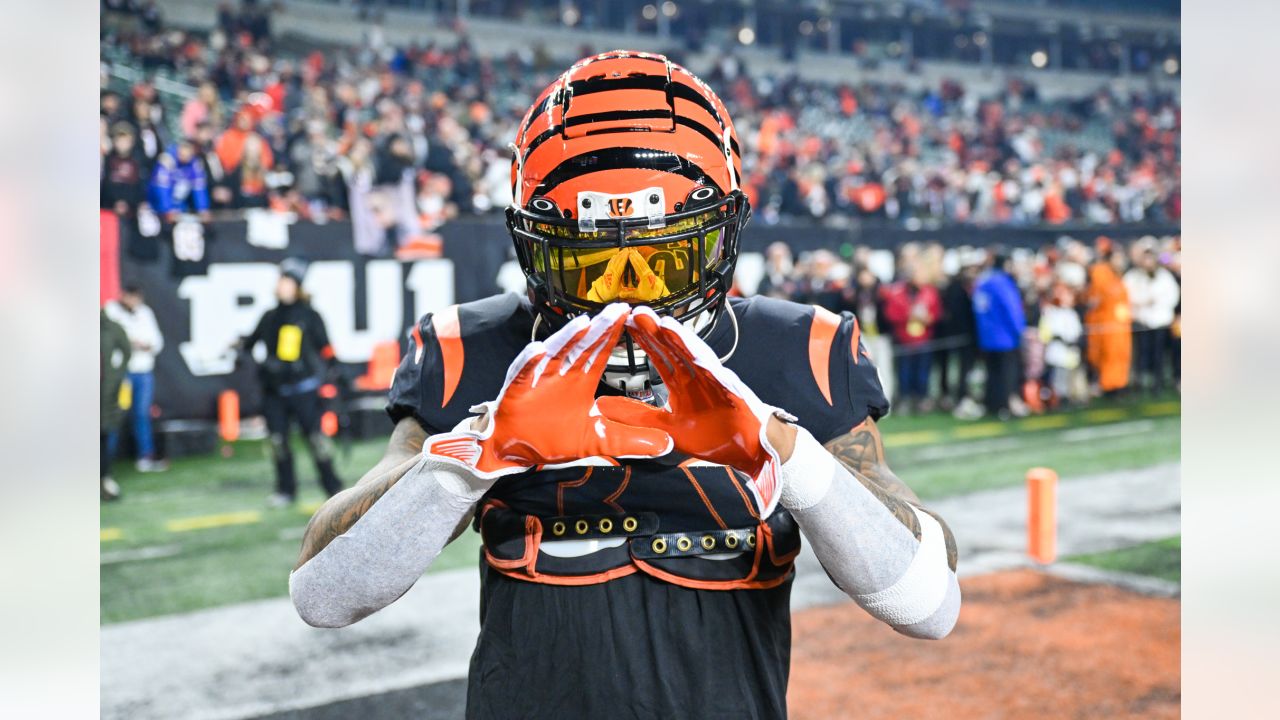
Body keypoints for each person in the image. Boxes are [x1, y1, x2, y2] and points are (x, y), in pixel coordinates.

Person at [289, 52, 960, 720]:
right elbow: (323, 595)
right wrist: (471, 456)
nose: (630, 299)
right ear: (536, 250)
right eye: (593, 266)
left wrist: (788, 453)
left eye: (663, 261)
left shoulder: (797, 352)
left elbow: (929, 604)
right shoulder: (475, 351)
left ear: (721, 237)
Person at [241, 260, 344, 506]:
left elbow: (325, 346)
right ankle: (286, 490)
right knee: (278, 442)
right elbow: (250, 343)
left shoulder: (308, 315)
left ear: (296, 285)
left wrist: (334, 372)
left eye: (285, 280)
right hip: (274, 391)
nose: (280, 285)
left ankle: (333, 487)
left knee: (316, 441)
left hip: (304, 389)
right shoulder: (270, 316)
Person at [104, 284, 168, 472]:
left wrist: (145, 345)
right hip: (121, 373)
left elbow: (157, 341)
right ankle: (106, 460)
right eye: (131, 297)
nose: (134, 301)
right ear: (123, 295)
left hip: (143, 371)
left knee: (142, 414)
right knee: (114, 415)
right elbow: (110, 339)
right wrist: (130, 342)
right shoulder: (110, 311)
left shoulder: (145, 313)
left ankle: (145, 456)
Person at [972, 250, 1027, 419]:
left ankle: (992, 404)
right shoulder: (1003, 283)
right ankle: (1006, 405)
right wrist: (1020, 331)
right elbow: (1012, 310)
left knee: (992, 373)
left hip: (986, 336)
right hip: (1005, 337)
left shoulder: (982, 281)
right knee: (1006, 373)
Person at [880, 263, 941, 414]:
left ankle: (922, 399)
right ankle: (905, 399)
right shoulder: (898, 292)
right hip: (904, 339)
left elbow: (937, 312)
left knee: (923, 371)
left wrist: (928, 318)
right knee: (904, 371)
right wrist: (908, 315)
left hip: (924, 338)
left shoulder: (929, 292)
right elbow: (890, 313)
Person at [1123, 248, 1180, 394]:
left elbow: (1172, 295)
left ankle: (1158, 382)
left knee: (1159, 353)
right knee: (1141, 353)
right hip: (1141, 322)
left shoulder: (1164, 276)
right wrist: (1141, 302)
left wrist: (1158, 302)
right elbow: (1126, 295)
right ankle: (1140, 382)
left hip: (1161, 321)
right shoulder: (1134, 276)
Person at [1084, 247, 1133, 396]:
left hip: (1120, 324)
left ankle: (1119, 384)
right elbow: (1094, 300)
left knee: (1121, 355)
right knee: (1108, 356)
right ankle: (1109, 386)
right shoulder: (1101, 273)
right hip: (1106, 323)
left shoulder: (1118, 276)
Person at [101, 310, 132, 501]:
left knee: (102, 435)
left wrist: (115, 375)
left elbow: (126, 352)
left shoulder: (110, 327)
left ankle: (104, 479)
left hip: (104, 392)